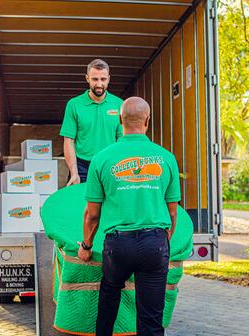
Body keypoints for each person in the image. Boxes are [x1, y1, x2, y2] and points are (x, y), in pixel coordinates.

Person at [77, 97, 181, 336]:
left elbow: (92, 215)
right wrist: (163, 240)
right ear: (147, 120)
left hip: (118, 245)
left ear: (120, 119)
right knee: (151, 319)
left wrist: (86, 246)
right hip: (154, 244)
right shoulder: (166, 158)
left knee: (109, 296)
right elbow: (172, 212)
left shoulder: (101, 159)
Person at [60, 59, 123, 185]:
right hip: (82, 167)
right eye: (95, 79)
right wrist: (74, 173)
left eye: (103, 79)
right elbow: (69, 141)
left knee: (109, 204)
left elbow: (122, 140)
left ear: (109, 79)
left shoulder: (119, 104)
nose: (99, 84)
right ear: (87, 78)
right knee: (79, 203)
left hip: (110, 165)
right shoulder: (74, 105)